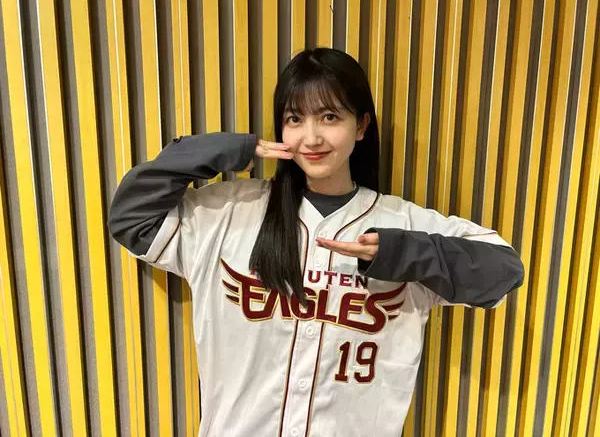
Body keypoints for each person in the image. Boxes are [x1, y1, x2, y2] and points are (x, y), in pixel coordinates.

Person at [108, 48, 524, 436]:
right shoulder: (228, 213)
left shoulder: (403, 223)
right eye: (294, 119)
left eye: (329, 116)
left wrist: (403, 253)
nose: (311, 138)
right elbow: (132, 217)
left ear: (361, 126)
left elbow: (502, 271)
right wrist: (227, 150)